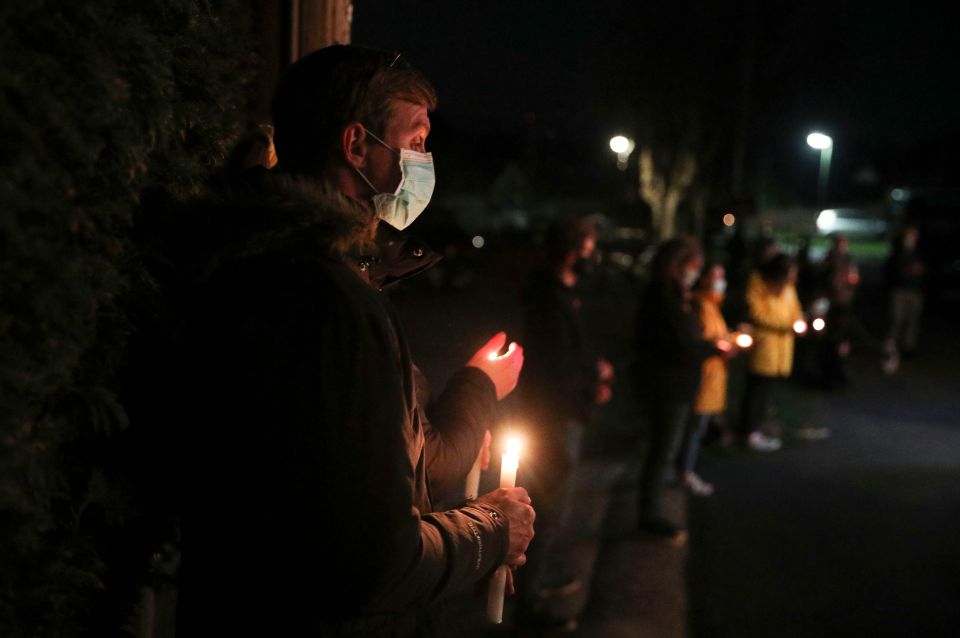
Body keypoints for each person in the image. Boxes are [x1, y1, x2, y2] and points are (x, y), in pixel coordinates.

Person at [173, 46, 535, 636]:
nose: (424, 161)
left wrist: (474, 385)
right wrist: (489, 531)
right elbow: (375, 561)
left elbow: (397, 456)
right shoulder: (325, 296)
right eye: (415, 142)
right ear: (357, 145)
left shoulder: (275, 264)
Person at [512, 217, 612, 626]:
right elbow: (556, 367)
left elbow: (574, 352)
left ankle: (537, 580)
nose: (593, 256)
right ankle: (527, 603)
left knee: (554, 503)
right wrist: (591, 389)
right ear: (573, 250)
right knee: (549, 506)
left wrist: (595, 369)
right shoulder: (549, 297)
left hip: (561, 409)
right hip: (554, 414)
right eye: (589, 247)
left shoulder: (563, 292)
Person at [634, 237, 730, 538]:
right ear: (678, 265)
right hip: (668, 386)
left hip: (676, 384)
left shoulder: (674, 295)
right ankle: (650, 515)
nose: (696, 273)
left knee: (665, 450)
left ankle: (652, 510)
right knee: (662, 452)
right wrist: (713, 348)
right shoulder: (664, 298)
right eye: (693, 266)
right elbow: (682, 344)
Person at [679, 264, 739, 497]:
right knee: (693, 427)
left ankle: (686, 469)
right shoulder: (701, 305)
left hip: (713, 374)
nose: (720, 281)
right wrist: (721, 347)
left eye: (723, 276)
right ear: (704, 279)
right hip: (704, 375)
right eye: (716, 276)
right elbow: (704, 341)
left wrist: (732, 340)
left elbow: (718, 336)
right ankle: (684, 471)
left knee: (697, 426)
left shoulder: (712, 305)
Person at [738, 253, 804, 451]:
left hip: (781, 349)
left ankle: (757, 424)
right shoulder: (759, 285)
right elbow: (758, 314)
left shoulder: (788, 288)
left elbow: (795, 309)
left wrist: (797, 321)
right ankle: (749, 431)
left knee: (765, 391)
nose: (793, 278)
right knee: (755, 390)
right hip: (765, 347)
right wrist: (786, 325)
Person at [885, 225, 925, 360]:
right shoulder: (897, 253)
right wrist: (906, 271)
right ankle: (891, 346)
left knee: (912, 321)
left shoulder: (919, 252)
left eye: (913, 235)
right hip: (899, 291)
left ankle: (908, 347)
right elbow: (891, 271)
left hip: (915, 291)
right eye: (908, 235)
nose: (910, 238)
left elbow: (925, 271)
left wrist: (919, 272)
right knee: (896, 320)